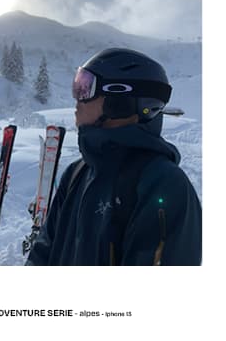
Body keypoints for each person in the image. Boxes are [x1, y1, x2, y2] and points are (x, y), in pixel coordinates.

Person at [26, 48, 202, 266]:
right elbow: (43, 253)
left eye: (85, 88)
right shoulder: (76, 173)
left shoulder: (163, 184)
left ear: (120, 102)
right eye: (77, 84)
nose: (76, 98)